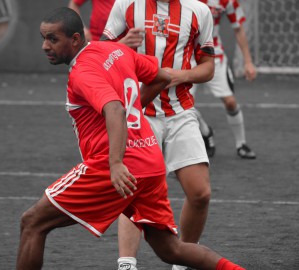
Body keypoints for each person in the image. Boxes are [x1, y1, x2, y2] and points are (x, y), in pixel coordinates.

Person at [16, 7, 245, 270]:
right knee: (171, 249)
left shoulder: (83, 72)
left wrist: (115, 164)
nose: (45, 46)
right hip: (149, 160)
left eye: (53, 39)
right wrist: (136, 106)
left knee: (32, 222)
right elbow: (162, 76)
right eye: (43, 38)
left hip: (114, 166)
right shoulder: (117, 51)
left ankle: (126, 261)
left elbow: (115, 109)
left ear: (76, 39)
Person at [101, 1, 217, 269]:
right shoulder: (126, 5)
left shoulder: (199, 10)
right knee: (132, 191)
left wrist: (183, 75)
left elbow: (208, 67)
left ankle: (182, 260)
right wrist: (123, 45)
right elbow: (100, 54)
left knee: (200, 193)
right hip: (138, 113)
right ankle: (127, 264)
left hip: (181, 113)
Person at [190, 0, 257, 159]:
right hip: (187, 57)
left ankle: (241, 144)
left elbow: (238, 28)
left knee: (230, 102)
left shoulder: (226, 2)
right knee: (183, 106)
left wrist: (248, 62)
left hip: (214, 56)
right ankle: (205, 131)